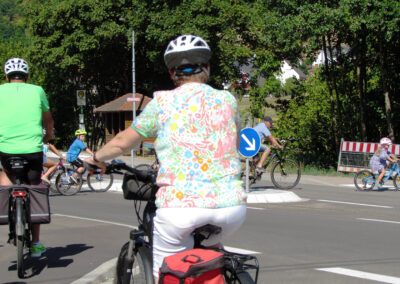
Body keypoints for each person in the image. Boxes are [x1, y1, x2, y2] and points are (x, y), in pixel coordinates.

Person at [85, 34, 247, 282]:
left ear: (172, 74)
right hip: (232, 208)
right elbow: (233, 144)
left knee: (168, 272)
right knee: (209, 255)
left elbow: (122, 143)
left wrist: (96, 157)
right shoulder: (227, 100)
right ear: (208, 68)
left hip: (181, 209)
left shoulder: (163, 102)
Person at [0, 57, 54, 257]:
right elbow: (48, 118)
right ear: (27, 76)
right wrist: (50, 136)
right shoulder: (37, 90)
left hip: (5, 149)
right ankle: (36, 243)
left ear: (6, 77)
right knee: (33, 188)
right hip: (32, 149)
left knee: (5, 172)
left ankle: (5, 207)